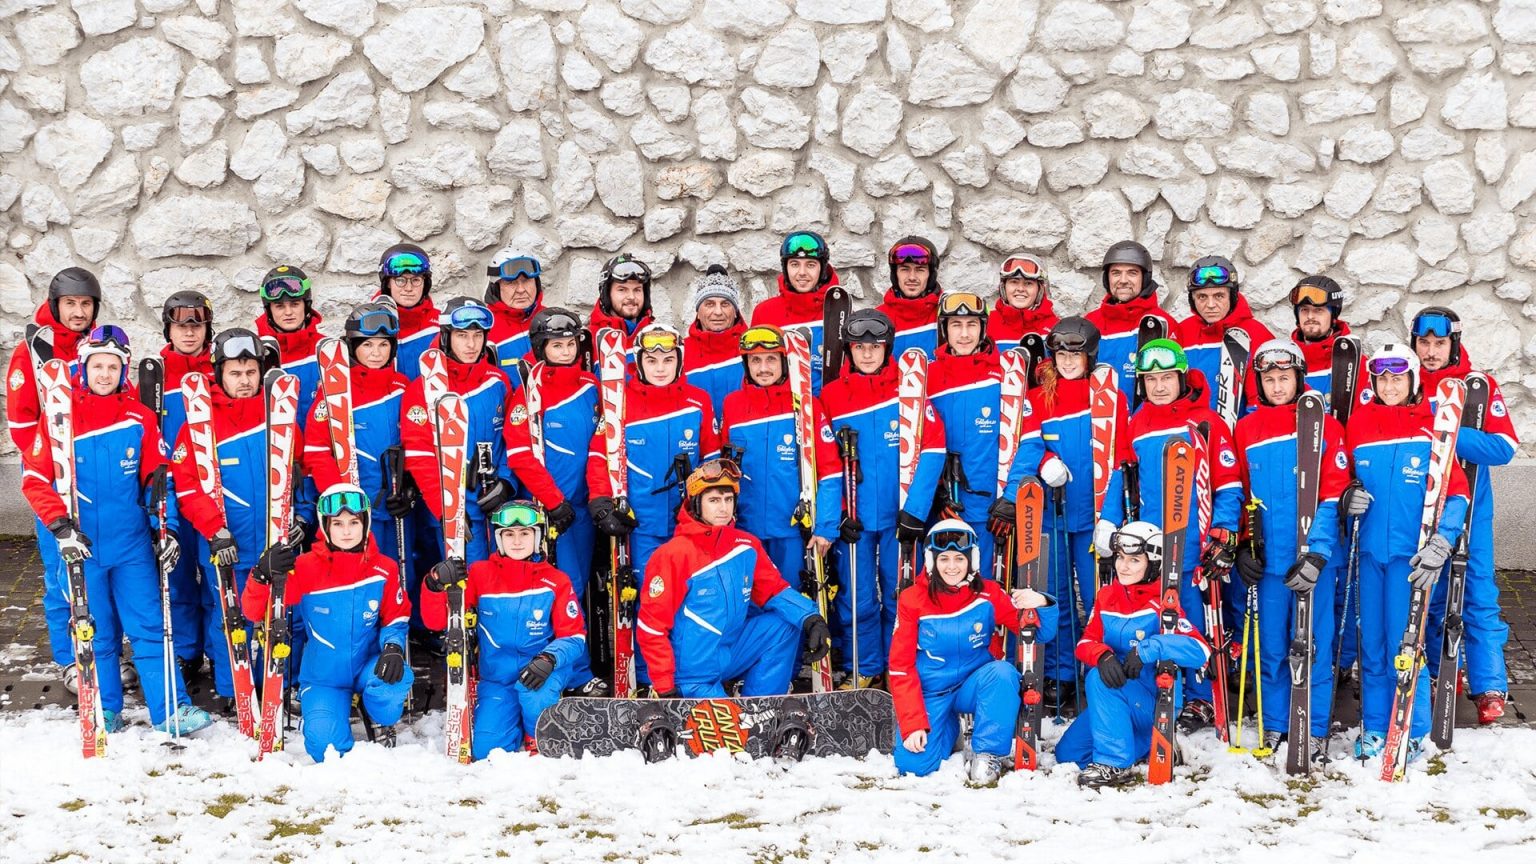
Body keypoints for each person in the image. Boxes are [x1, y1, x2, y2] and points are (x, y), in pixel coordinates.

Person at [22, 325, 211, 735]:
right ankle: (104, 708)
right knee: (96, 631)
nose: (104, 374)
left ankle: (171, 710)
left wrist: (168, 529)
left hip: (132, 545)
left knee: (149, 626)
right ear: (83, 368)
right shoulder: (59, 418)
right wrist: (59, 525)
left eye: (113, 366)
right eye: (97, 366)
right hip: (81, 545)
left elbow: (158, 479)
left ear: (123, 370)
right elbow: (35, 480)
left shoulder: (138, 416)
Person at [1093, 338, 1242, 733]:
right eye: (1150, 379)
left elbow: (1228, 483)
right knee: (1159, 622)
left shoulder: (1206, 420)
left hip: (1193, 542)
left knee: (1192, 621)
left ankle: (1202, 699)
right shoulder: (1137, 422)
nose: (1159, 386)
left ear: (1182, 378)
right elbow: (1121, 475)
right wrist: (1109, 523)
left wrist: (1223, 534)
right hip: (1151, 548)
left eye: (1166, 378)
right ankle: (1160, 689)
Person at [1342, 344, 1470, 763]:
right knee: (1373, 646)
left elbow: (1456, 494)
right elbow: (1343, 481)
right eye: (1382, 378)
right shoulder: (1358, 426)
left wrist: (1442, 541)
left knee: (1406, 643)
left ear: (1413, 381)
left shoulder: (1434, 425)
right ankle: (1377, 726)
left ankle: (1413, 727)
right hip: (1369, 555)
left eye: (1398, 378)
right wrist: (1349, 499)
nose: (1389, 385)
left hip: (1411, 560)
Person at [1002, 316, 1133, 715]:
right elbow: (1026, 442)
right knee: (1051, 595)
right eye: (1061, 353)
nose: (1068, 360)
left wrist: (1111, 517)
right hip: (1050, 515)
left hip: (1093, 517)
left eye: (1075, 353)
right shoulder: (1040, 395)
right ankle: (1058, 676)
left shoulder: (1109, 396)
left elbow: (1121, 458)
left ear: (1090, 355)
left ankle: (1099, 670)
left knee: (1098, 598)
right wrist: (1044, 462)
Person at [1232, 339, 1350, 761]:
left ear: (1299, 379)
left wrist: (1318, 553)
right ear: (1258, 383)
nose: (1277, 386)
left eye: (1285, 378)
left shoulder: (1323, 426)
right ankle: (1279, 722)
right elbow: (1239, 492)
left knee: (1313, 643)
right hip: (1269, 560)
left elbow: (1334, 494)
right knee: (1272, 645)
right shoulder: (1246, 429)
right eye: (1269, 379)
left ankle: (1315, 725)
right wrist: (1243, 546)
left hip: (1314, 558)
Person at [820, 309, 947, 686]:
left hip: (899, 517)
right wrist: (838, 513)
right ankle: (868, 667)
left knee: (902, 593)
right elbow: (824, 462)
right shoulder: (831, 396)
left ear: (887, 347)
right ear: (849, 350)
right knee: (855, 598)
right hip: (855, 518)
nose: (868, 354)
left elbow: (933, 447)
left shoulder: (909, 389)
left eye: (875, 347)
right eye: (859, 347)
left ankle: (900, 667)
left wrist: (915, 510)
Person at [241, 483, 411, 762]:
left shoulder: (384, 568)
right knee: (326, 750)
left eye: (354, 522)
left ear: (365, 523)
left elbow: (396, 615)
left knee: (398, 676)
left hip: (367, 665)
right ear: (325, 526)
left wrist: (393, 647)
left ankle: (376, 713)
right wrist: (261, 575)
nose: (346, 531)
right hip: (323, 676)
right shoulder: (304, 568)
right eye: (338, 523)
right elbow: (254, 612)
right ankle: (322, 713)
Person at [636, 459, 831, 699]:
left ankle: (761, 705)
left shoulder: (746, 545)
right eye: (714, 500)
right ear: (696, 503)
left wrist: (810, 618)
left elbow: (774, 590)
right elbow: (651, 627)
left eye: (728, 499)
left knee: (785, 625)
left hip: (732, 651)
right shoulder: (672, 555)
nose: (723, 508)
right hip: (693, 672)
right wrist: (665, 686)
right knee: (725, 735)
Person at [1412, 307, 1519, 725]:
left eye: (1440, 344)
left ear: (1453, 343)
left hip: (1471, 505)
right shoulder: (1405, 382)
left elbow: (1504, 448)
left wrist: (1451, 430)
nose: (1431, 352)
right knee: (1431, 593)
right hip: (1420, 507)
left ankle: (1489, 684)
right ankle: (1441, 671)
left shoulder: (1479, 386)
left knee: (1476, 591)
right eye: (1424, 342)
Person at [888, 520, 1056, 783]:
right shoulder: (912, 599)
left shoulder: (988, 594)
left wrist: (1042, 603)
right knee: (914, 767)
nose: (952, 566)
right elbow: (900, 666)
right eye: (943, 558)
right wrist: (912, 724)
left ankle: (988, 751)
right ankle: (946, 727)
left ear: (972, 560)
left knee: (1002, 673)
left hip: (974, 684)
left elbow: (1039, 633)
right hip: (932, 691)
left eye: (959, 558)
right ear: (932, 561)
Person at [170, 328, 281, 715]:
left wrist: (299, 515)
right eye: (235, 373)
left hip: (272, 540)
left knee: (278, 614)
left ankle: (280, 680)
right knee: (230, 618)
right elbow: (186, 487)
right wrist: (214, 530)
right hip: (225, 543)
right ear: (219, 373)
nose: (245, 380)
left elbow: (297, 472)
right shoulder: (199, 425)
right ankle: (233, 687)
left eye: (251, 371)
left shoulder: (277, 416)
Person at [422, 501, 585, 758]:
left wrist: (549, 658)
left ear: (537, 536)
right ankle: (513, 721)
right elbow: (437, 622)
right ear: (499, 538)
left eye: (525, 533)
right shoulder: (479, 575)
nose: (517, 541)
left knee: (535, 698)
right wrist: (433, 585)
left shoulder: (556, 581)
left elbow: (575, 637)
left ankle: (536, 733)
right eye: (509, 534)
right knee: (488, 751)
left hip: (541, 674)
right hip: (498, 679)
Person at [1054, 522, 1212, 788]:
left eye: (1135, 560)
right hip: (1116, 700)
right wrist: (1102, 654)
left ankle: (1114, 764)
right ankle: (1144, 744)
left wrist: (1149, 648)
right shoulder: (1107, 596)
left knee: (1096, 680)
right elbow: (1085, 642)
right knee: (1068, 754)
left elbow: (1200, 651)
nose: (1123, 566)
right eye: (1120, 557)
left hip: (1152, 701)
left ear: (1153, 563)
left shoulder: (1163, 602)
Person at [6, 268, 101, 690]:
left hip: (95, 476)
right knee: (60, 571)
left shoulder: (99, 346)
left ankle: (102, 650)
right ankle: (68, 660)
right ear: (56, 304)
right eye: (70, 304)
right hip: (54, 480)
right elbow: (22, 421)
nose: (78, 312)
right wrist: (49, 465)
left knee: (98, 571)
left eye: (85, 304)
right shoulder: (32, 350)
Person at [586, 322, 719, 591]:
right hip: (639, 523)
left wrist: (709, 508)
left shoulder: (698, 401)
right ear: (639, 362)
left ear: (679, 362)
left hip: (689, 521)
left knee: (690, 591)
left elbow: (711, 459)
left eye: (668, 360)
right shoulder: (620, 404)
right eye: (652, 360)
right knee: (650, 591)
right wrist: (601, 501)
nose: (660, 368)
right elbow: (600, 456)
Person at [718, 324, 841, 584]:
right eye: (756, 360)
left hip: (792, 530)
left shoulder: (807, 405)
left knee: (791, 599)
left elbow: (829, 470)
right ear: (746, 364)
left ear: (785, 362)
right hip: (744, 528)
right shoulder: (732, 406)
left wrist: (827, 527)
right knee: (747, 601)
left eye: (771, 359)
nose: (763, 368)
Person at [400, 297, 515, 565]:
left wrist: (507, 482)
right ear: (445, 337)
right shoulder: (422, 389)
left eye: (478, 335)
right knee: (465, 582)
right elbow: (419, 456)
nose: (472, 344)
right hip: (453, 508)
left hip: (496, 502)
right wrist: (446, 510)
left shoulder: (498, 381)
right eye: (462, 335)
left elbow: (513, 440)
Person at [302, 303, 411, 567]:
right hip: (353, 512)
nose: (376, 353)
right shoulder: (334, 393)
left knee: (401, 570)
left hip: (397, 505)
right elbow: (317, 453)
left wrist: (410, 488)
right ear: (353, 347)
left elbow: (416, 443)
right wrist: (341, 499)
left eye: (383, 345)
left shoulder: (402, 387)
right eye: (367, 345)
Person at [503, 308, 594, 598]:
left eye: (571, 344)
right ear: (541, 348)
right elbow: (519, 455)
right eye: (557, 345)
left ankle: (578, 641)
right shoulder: (529, 394)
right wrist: (553, 501)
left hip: (587, 506)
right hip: (552, 509)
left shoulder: (592, 387)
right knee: (564, 586)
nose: (566, 352)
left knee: (584, 581)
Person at [155, 291, 216, 680]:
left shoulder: (222, 368)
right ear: (169, 329)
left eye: (196, 325)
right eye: (181, 325)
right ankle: (187, 652)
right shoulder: (154, 375)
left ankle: (220, 650)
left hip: (212, 488)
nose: (189, 333)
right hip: (172, 491)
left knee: (214, 577)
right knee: (177, 576)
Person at [926, 291, 1007, 574]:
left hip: (990, 509)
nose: (964, 334)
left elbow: (1028, 440)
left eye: (971, 324)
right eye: (955, 325)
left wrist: (1009, 497)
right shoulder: (927, 378)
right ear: (944, 329)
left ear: (983, 328)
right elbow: (917, 443)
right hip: (946, 504)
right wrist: (934, 495)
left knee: (986, 587)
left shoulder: (1005, 376)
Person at [1173, 255, 1273, 420]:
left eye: (1219, 296)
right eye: (1202, 297)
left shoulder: (1255, 334)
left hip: (1238, 433)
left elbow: (1262, 398)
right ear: (1192, 300)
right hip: (1190, 434)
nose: (1210, 305)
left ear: (1232, 296)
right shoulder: (1182, 332)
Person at [751, 231, 841, 395]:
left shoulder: (838, 308)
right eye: (794, 264)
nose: (802, 272)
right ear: (785, 268)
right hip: (783, 407)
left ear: (822, 268)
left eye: (810, 265)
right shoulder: (765, 313)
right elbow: (755, 367)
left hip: (830, 406)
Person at [1083, 241, 1178, 394]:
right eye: (1116, 273)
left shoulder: (1161, 324)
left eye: (1132, 273)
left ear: (1144, 278)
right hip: (1099, 414)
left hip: (1142, 416)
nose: (1123, 280)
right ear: (1107, 279)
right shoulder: (1090, 323)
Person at [255, 265, 324, 425]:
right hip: (279, 445)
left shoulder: (325, 349)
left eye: (294, 304)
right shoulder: (258, 353)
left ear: (305, 306)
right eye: (279, 306)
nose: (288, 312)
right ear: (269, 310)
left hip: (320, 445)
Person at [683, 265, 748, 417]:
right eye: (709, 304)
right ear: (698, 313)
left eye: (725, 304)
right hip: (699, 438)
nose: (718, 312)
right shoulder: (681, 352)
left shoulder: (752, 348)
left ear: (735, 311)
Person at [484, 246, 546, 383]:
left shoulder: (551, 320)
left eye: (526, 281)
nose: (521, 290)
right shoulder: (483, 329)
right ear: (496, 287)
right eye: (510, 283)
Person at [1288, 275, 1356, 398]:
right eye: (1304, 310)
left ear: (1333, 316)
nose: (1310, 316)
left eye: (1318, 310)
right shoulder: (1285, 361)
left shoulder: (1354, 361)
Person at [378, 243, 439, 380]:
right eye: (400, 280)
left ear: (425, 283)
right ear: (387, 283)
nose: (409, 288)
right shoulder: (367, 324)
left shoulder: (440, 325)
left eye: (416, 280)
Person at [875, 237, 942, 359]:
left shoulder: (947, 315)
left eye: (920, 269)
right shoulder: (877, 319)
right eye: (905, 269)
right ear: (895, 274)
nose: (912, 277)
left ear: (931, 275)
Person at [987, 253, 1059, 354]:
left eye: (1028, 283)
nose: (1020, 289)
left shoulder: (1056, 328)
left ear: (1040, 290)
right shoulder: (987, 325)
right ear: (1003, 287)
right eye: (1014, 282)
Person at [587, 253, 655, 353]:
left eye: (637, 290)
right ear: (606, 294)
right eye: (622, 290)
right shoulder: (587, 343)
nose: (631, 297)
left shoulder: (659, 339)